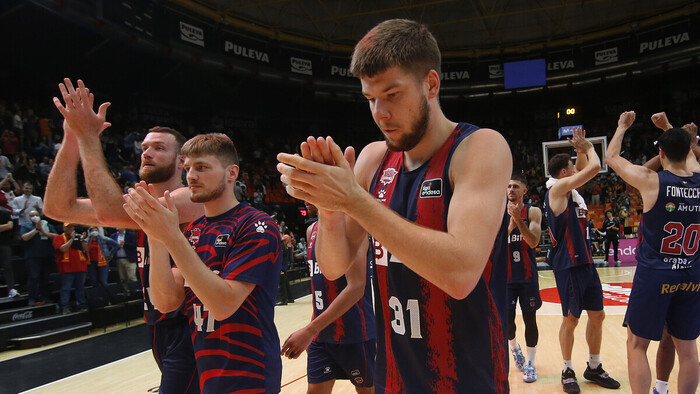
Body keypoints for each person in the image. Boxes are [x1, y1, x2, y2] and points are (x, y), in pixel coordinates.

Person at [277, 19, 512, 393]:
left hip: (466, 375)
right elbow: (335, 267)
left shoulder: (479, 147)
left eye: (392, 94)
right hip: (394, 375)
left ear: (430, 84)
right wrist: (330, 210)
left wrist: (354, 200)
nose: (380, 113)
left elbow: (462, 273)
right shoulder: (373, 159)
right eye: (371, 99)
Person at [46, 78, 201, 393]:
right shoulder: (139, 204)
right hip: (158, 324)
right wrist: (71, 138)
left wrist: (89, 139)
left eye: (159, 148)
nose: (148, 153)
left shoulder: (189, 199)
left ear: (183, 160)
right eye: (144, 147)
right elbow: (57, 208)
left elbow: (107, 213)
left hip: (192, 326)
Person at [123, 133, 283, 393]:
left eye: (202, 167)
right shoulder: (194, 230)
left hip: (249, 372)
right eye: (187, 168)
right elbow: (166, 301)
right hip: (207, 369)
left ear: (231, 173)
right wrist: (154, 236)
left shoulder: (256, 225)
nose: (191, 176)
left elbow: (223, 305)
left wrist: (171, 236)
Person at [605, 111, 700, 394]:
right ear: (688, 150)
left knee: (637, 344)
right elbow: (688, 155)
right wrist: (671, 129)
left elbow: (611, 158)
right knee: (688, 350)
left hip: (655, 274)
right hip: (692, 273)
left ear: (660, 152)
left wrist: (622, 126)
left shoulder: (652, 180)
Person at [544, 127, 620, 393]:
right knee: (571, 320)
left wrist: (578, 151)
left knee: (597, 315)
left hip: (586, 262)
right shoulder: (557, 191)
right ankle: (567, 369)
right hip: (568, 265)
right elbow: (594, 167)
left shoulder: (570, 190)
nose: (576, 170)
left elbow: (580, 168)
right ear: (564, 173)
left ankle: (594, 367)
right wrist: (589, 148)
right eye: (572, 168)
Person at [281, 202, 376, 393]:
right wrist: (312, 331)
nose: (305, 198)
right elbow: (319, 290)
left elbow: (356, 287)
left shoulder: (353, 224)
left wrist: (310, 330)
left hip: (356, 334)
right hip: (321, 336)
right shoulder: (311, 230)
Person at [505, 174, 542, 383]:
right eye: (509, 186)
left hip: (527, 277)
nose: (511, 189)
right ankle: (514, 348)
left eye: (515, 186)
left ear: (524, 191)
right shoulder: (497, 212)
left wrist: (518, 219)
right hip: (507, 277)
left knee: (530, 320)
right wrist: (511, 222)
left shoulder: (534, 211)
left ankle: (530, 362)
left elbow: (534, 241)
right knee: (508, 322)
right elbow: (496, 243)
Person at [20, 210, 57, 305]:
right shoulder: (26, 226)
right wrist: (36, 229)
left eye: (36, 215)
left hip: (47, 255)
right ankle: (32, 298)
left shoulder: (47, 225)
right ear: (29, 217)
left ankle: (45, 297)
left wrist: (43, 231)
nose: (35, 217)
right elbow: (24, 237)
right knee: (33, 277)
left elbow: (56, 237)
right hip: (33, 256)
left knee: (45, 278)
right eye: (32, 215)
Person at [53, 223, 87, 313]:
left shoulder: (79, 237)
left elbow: (85, 249)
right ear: (64, 228)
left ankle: (81, 305)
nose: (71, 228)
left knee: (80, 288)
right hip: (66, 268)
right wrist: (72, 239)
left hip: (80, 266)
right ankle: (65, 306)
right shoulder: (58, 238)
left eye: (72, 227)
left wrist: (82, 240)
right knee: (66, 288)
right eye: (68, 227)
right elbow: (62, 249)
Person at [110, 228, 138, 292]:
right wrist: (118, 246)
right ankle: (127, 292)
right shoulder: (113, 236)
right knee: (122, 278)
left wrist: (125, 244)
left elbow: (135, 245)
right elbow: (111, 247)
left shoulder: (130, 235)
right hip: (119, 260)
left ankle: (135, 292)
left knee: (131, 277)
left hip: (130, 259)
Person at [0, 205, 15, 297]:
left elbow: (10, 226)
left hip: (4, 244)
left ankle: (11, 289)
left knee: (8, 267)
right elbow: (7, 226)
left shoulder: (5, 213)